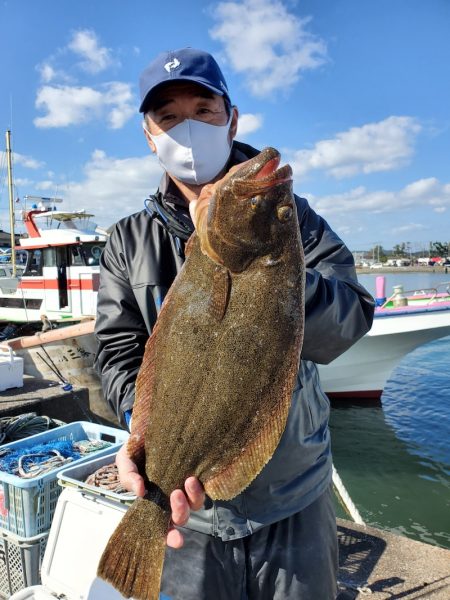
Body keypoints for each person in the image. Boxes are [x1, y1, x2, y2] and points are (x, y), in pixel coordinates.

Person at [94, 47, 375, 600]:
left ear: (232, 119)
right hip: (187, 518)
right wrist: (141, 433)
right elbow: (117, 353)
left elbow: (350, 319)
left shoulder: (291, 217)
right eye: (169, 117)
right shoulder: (127, 242)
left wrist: (280, 275)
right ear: (149, 135)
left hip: (292, 493)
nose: (188, 127)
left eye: (204, 109)